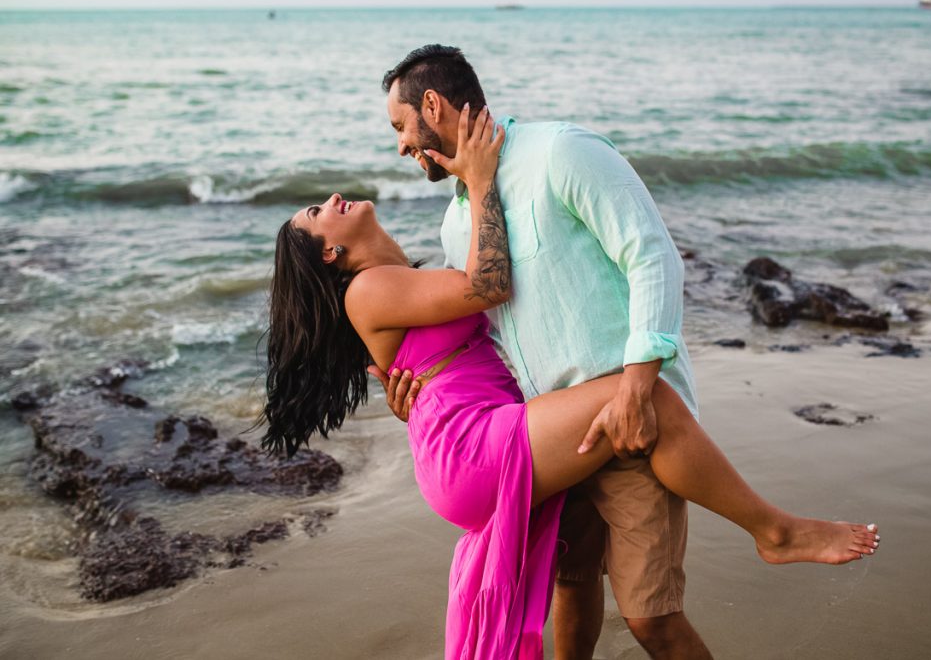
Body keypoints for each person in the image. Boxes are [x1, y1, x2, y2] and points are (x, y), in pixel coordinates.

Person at [260, 105, 881, 660]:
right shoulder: (371, 289)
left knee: (573, 586)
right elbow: (491, 285)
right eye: (317, 213)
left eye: (400, 127)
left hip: (488, 434)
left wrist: (414, 396)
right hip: (476, 447)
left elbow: (473, 325)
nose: (333, 198)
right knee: (642, 396)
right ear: (330, 256)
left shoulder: (415, 272)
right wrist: (479, 179)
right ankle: (773, 530)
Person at [372, 43, 697, 658]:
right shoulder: (457, 223)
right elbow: (481, 334)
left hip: (626, 421)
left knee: (650, 616)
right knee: (569, 593)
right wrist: (418, 388)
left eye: (400, 127)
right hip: (546, 441)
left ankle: (775, 530)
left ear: (433, 105)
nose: (400, 147)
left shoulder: (562, 153)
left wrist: (635, 388)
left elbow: (652, 255)